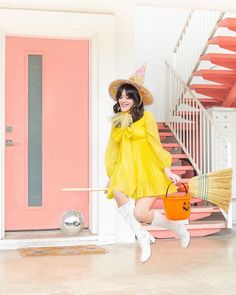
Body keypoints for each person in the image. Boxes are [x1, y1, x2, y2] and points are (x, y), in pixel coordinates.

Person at [105, 65, 190, 263]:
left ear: (136, 100)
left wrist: (167, 169)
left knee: (140, 213)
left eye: (128, 96)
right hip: (127, 170)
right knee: (117, 191)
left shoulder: (147, 118)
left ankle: (177, 228)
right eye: (121, 96)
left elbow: (155, 145)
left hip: (147, 171)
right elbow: (112, 150)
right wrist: (111, 176)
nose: (123, 100)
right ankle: (142, 235)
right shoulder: (117, 122)